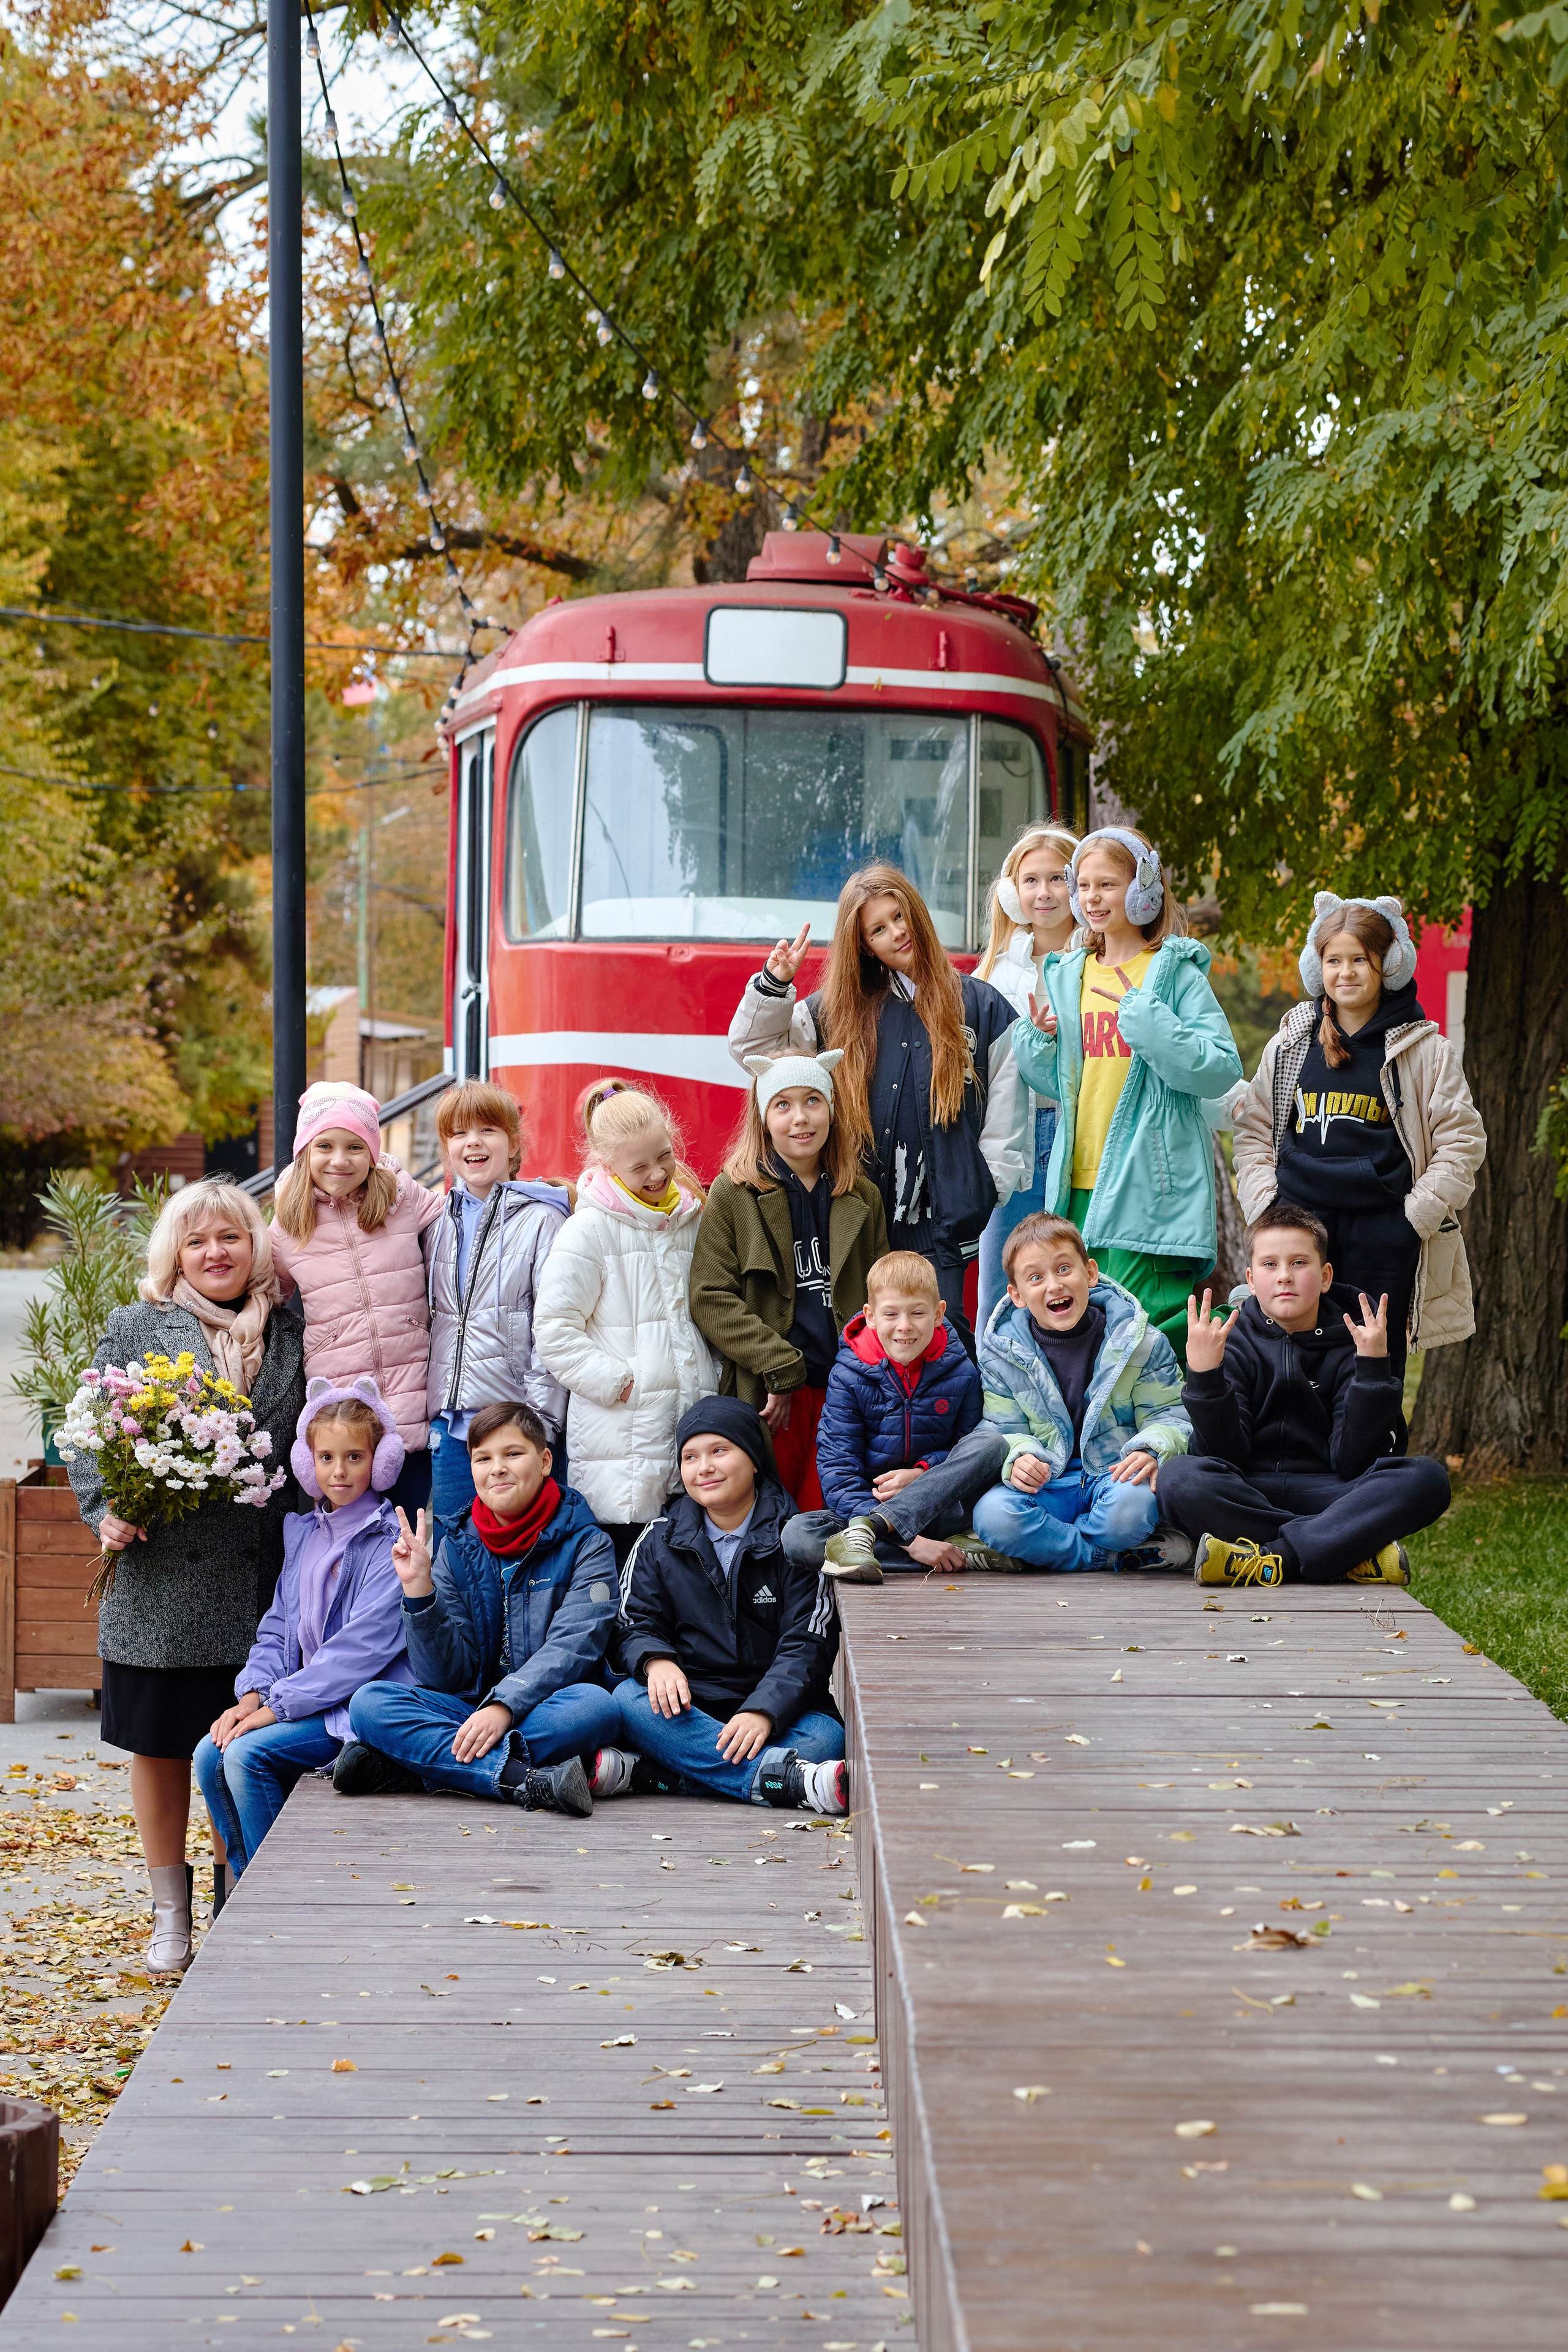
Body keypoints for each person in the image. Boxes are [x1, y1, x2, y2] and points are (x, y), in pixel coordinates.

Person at [66, 1180, 304, 1973]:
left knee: (244, 1747)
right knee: (163, 1748)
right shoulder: (138, 1325)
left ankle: (238, 1895)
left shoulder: (294, 1325)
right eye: (198, 1241)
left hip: (264, 1580)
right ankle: (171, 1915)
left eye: (230, 1237)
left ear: (254, 1244)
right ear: (175, 1253)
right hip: (162, 1580)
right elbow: (88, 1432)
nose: (215, 1253)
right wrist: (105, 1508)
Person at [727, 862, 1028, 1357]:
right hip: (856, 1216)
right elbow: (753, 1054)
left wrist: (985, 1186)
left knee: (941, 1343)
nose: (898, 931)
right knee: (864, 1350)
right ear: (863, 943)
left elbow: (1007, 1114)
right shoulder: (833, 1010)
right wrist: (775, 984)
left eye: (901, 915)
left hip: (944, 1226)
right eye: (879, 928)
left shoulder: (980, 1005)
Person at [1232, 892, 1485, 1376]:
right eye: (1334, 960)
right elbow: (1254, 1132)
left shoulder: (1425, 1051)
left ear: (1389, 966)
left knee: (1373, 1376)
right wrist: (1267, 1208)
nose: (1345, 972)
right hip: (1301, 1234)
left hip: (1384, 1238)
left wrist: (1413, 1220)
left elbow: (1462, 1143)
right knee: (1297, 1371)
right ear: (1316, 966)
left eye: (1359, 960)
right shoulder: (1289, 1045)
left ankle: (1375, 1455)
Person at [1011, 827, 1242, 1357]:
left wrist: (1148, 1020)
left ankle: (1165, 1436)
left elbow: (1219, 1069)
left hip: (1148, 1186)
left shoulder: (1174, 972)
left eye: (1108, 885)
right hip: (1079, 1184)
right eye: (1085, 885)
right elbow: (1065, 1084)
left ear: (1143, 890)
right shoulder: (1068, 972)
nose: (1092, 898)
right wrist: (1037, 1044)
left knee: (1147, 1331)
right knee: (1085, 1333)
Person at [333, 1401, 620, 1817]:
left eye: (512, 1454)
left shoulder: (587, 1544)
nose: (497, 1469)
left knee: (596, 1708)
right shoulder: (458, 1545)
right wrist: (419, 1590)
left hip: (546, 1707)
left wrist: (503, 1707)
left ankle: (421, 1771)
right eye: (483, 1458)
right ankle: (523, 1779)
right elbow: (446, 1678)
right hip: (469, 1708)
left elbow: (574, 1647)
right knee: (369, 1703)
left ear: (544, 1461)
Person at [1158, 1204, 1453, 1587]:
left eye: (1299, 1263)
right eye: (1269, 1265)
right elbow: (1226, 1456)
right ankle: (1341, 1550)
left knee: (1428, 1479)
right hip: (1250, 1491)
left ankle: (1271, 1559)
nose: (1284, 1277)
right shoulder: (1230, 1340)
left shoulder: (1356, 1340)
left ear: (1325, 1276)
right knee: (1179, 1479)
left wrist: (1373, 1372)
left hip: (1333, 1492)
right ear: (1250, 1277)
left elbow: (1354, 1462)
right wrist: (1205, 1375)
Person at [194, 1378, 410, 1880]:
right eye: (328, 1457)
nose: (340, 1471)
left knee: (247, 1755)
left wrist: (276, 1709)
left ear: (381, 1462)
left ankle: (279, 1892)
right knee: (210, 1754)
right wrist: (251, 1696)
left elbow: (359, 1653)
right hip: (305, 1699)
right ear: (307, 1463)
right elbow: (278, 1628)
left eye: (355, 1457)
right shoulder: (305, 1534)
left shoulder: (389, 1542)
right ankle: (247, 1889)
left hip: (355, 1710)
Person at [602, 1399, 847, 1812]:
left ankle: (664, 1775)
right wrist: (656, 1661)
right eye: (690, 1457)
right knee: (628, 1701)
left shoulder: (796, 1540)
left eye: (720, 1451)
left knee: (825, 1738)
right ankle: (784, 1781)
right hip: (690, 1703)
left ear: (753, 1459)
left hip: (780, 1707)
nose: (705, 1467)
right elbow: (633, 1622)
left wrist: (763, 1712)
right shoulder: (659, 1538)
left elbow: (809, 1643)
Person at [689, 1048, 888, 1511]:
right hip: (772, 1394)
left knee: (833, 1513)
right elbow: (709, 1297)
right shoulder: (733, 1192)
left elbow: (884, 1296)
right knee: (777, 1514)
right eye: (783, 1105)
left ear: (832, 1110)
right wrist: (780, 1369)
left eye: (813, 1101)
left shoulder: (862, 1195)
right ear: (763, 1117)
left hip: (848, 1388)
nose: (800, 1119)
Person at [533, 1082, 718, 1567]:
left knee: (685, 1579)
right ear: (606, 1164)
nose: (658, 1173)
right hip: (622, 1442)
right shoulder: (588, 1231)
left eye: (665, 1156)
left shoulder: (691, 1219)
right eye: (640, 1167)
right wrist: (621, 1383)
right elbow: (554, 1330)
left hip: (688, 1429)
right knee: (629, 1581)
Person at [970, 1212, 1193, 1572]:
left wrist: (1152, 1448)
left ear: (1089, 1273)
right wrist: (1019, 1456)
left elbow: (1172, 1415)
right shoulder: (1002, 1354)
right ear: (1017, 1294)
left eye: (1063, 1269)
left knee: (1133, 1510)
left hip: (1115, 1474)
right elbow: (999, 1430)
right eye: (1036, 1278)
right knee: (994, 1516)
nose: (1054, 1286)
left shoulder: (1141, 1342)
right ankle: (1110, 1557)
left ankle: (1050, 1549)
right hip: (1049, 1483)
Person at [782, 1250, 1010, 1584]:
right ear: (871, 1316)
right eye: (891, 1314)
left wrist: (922, 1473)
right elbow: (838, 1472)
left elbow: (967, 1449)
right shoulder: (848, 1376)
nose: (904, 1327)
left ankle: (892, 1550)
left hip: (942, 1507)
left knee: (991, 1443)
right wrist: (909, 1542)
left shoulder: (961, 1370)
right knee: (798, 1535)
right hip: (866, 1511)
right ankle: (952, 1554)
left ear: (938, 1313)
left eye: (918, 1313)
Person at [268, 1080, 443, 1509]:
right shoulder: (288, 1226)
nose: (340, 1160)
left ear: (373, 1153)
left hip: (412, 1407)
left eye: (355, 1147)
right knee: (346, 1543)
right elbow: (262, 1298)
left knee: (407, 1540)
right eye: (324, 1146)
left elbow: (466, 1225)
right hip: (343, 1423)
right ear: (305, 1152)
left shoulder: (403, 1198)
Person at [425, 1079, 570, 1546]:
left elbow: (553, 1328)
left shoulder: (542, 1220)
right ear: (447, 1150)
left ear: (513, 1144)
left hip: (517, 1428)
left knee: (526, 1555)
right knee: (455, 1558)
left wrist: (541, 1429)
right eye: (459, 1133)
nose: (473, 1142)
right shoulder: (435, 1224)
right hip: (453, 1432)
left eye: (488, 1129)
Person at [974, 824, 1080, 1334]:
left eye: (1057, 877)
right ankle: (997, 1404)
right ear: (1012, 892)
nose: (1044, 893)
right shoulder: (994, 971)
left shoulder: (1100, 961)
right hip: (1012, 1140)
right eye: (1031, 880)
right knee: (1001, 1286)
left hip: (1079, 1134)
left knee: (1074, 1278)